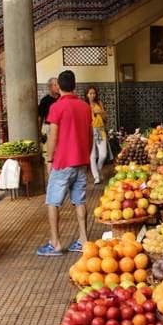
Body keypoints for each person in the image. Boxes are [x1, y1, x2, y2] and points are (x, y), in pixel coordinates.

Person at [37, 70, 93, 257]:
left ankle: (55, 243)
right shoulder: (85, 106)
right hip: (81, 161)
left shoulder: (56, 107)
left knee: (53, 202)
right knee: (80, 200)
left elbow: (53, 137)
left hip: (62, 162)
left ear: (58, 87)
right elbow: (90, 135)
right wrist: (87, 155)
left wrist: (49, 159)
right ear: (75, 86)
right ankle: (83, 240)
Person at [86, 86, 108, 184]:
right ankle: (96, 177)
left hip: (100, 130)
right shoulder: (84, 105)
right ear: (86, 94)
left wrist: (101, 112)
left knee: (103, 154)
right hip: (89, 131)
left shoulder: (99, 103)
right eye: (90, 93)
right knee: (92, 155)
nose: (92, 95)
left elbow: (106, 119)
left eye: (94, 93)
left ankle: (99, 170)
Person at [38, 77, 60, 144]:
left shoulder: (61, 98)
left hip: (60, 127)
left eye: (58, 85)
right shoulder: (44, 100)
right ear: (50, 87)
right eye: (55, 85)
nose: (58, 87)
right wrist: (39, 132)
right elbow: (40, 117)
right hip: (48, 127)